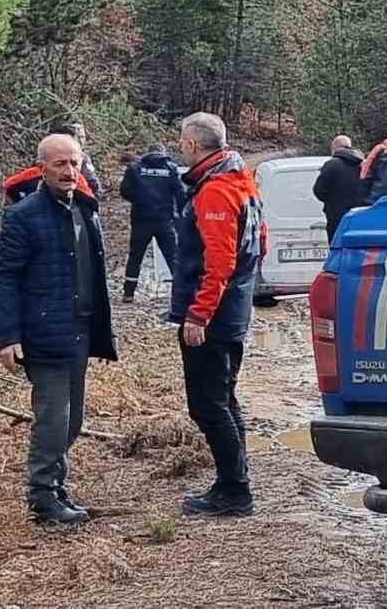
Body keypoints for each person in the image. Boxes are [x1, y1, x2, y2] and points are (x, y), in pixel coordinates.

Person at [0, 134, 118, 527]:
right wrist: (8, 336)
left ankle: (55, 487)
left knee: (72, 419)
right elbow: (4, 278)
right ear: (41, 167)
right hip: (43, 335)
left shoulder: (84, 208)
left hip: (79, 331)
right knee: (53, 419)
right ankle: (43, 498)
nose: (69, 171)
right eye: (60, 164)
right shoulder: (24, 216)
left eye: (74, 163)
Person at [170, 112, 266, 517]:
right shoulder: (243, 180)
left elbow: (220, 261)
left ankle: (235, 489)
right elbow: (261, 242)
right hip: (235, 309)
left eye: (182, 141)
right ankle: (234, 480)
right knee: (224, 397)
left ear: (193, 145)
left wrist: (198, 314)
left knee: (208, 404)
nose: (180, 147)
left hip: (214, 315)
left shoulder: (215, 191)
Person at [118, 142, 186, 302]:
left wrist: (139, 200)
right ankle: (181, 294)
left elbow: (124, 191)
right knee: (173, 256)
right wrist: (182, 216)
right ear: (163, 152)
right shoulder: (170, 168)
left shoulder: (135, 169)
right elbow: (180, 193)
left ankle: (128, 294)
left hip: (141, 219)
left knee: (135, 257)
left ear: (148, 152)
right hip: (164, 220)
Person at [312, 134, 365, 242]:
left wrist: (332, 200)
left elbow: (318, 191)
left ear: (335, 148)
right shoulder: (363, 164)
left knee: (337, 250)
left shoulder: (331, 165)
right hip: (359, 218)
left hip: (336, 218)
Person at [56, 123, 103, 198]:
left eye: (82, 137)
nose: (81, 141)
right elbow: (91, 180)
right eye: (79, 137)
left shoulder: (83, 157)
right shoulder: (81, 157)